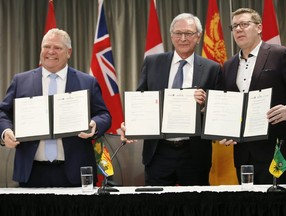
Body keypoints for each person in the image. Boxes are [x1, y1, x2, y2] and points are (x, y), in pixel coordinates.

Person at [0, 28, 111, 187]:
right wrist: (5, 132)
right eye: (46, 46)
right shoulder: (20, 81)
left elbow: (104, 115)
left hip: (74, 171)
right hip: (32, 171)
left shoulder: (87, 82)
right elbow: (3, 112)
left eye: (57, 48)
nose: (50, 52)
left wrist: (94, 124)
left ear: (69, 52)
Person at [122, 13, 222, 186]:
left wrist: (205, 105)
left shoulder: (211, 68)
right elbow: (141, 98)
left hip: (194, 153)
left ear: (198, 37)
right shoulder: (153, 62)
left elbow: (218, 109)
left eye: (189, 33)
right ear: (171, 36)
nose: (183, 38)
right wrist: (131, 123)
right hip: (159, 151)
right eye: (178, 33)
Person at [220, 8, 286, 184]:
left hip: (277, 150)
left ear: (259, 28)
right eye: (234, 26)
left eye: (244, 24)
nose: (238, 29)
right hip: (243, 153)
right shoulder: (228, 65)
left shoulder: (280, 54)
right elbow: (226, 105)